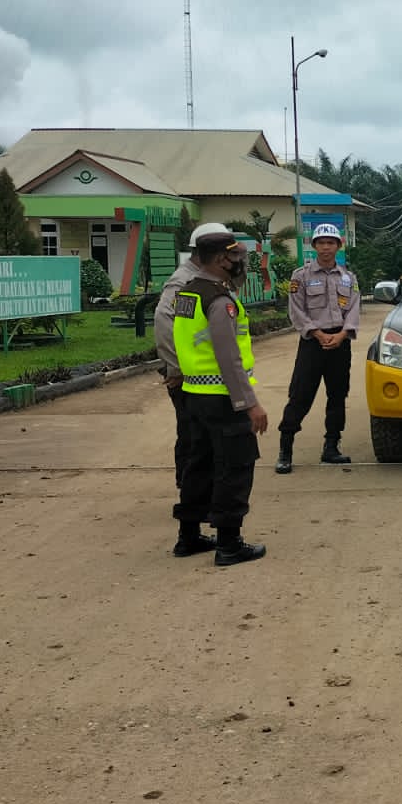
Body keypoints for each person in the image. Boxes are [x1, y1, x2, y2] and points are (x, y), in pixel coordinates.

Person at [171, 231, 268, 566]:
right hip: (222, 398)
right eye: (236, 257)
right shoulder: (219, 300)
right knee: (234, 467)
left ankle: (189, 536)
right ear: (221, 259)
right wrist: (250, 403)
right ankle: (229, 543)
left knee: (199, 465)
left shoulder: (188, 293)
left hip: (193, 395)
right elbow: (228, 357)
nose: (240, 263)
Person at [153, 220, 234, 554]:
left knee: (199, 445)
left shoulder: (207, 278)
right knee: (195, 446)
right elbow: (163, 320)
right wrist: (177, 368)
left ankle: (195, 511)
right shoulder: (185, 281)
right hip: (192, 381)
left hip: (204, 379)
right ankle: (191, 513)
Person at [275, 222, 361, 473]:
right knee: (300, 395)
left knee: (337, 396)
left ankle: (331, 447)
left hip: (340, 343)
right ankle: (285, 450)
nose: (326, 247)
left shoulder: (348, 277)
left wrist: (343, 334)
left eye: (330, 243)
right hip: (312, 343)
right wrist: (317, 333)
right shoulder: (300, 276)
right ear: (314, 247)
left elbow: (354, 308)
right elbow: (296, 309)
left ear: (338, 246)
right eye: (321, 243)